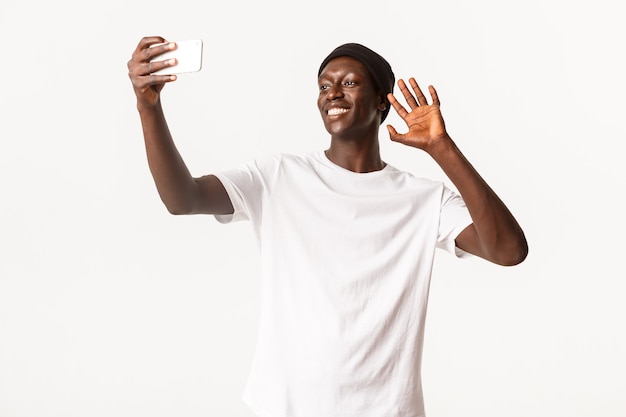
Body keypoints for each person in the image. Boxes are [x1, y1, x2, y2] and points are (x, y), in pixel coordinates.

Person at [128, 36, 528, 417]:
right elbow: (182, 199)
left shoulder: (423, 199)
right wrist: (149, 109)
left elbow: (509, 251)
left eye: (349, 83)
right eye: (324, 86)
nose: (332, 93)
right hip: (288, 407)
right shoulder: (278, 176)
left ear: (380, 103)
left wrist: (442, 148)